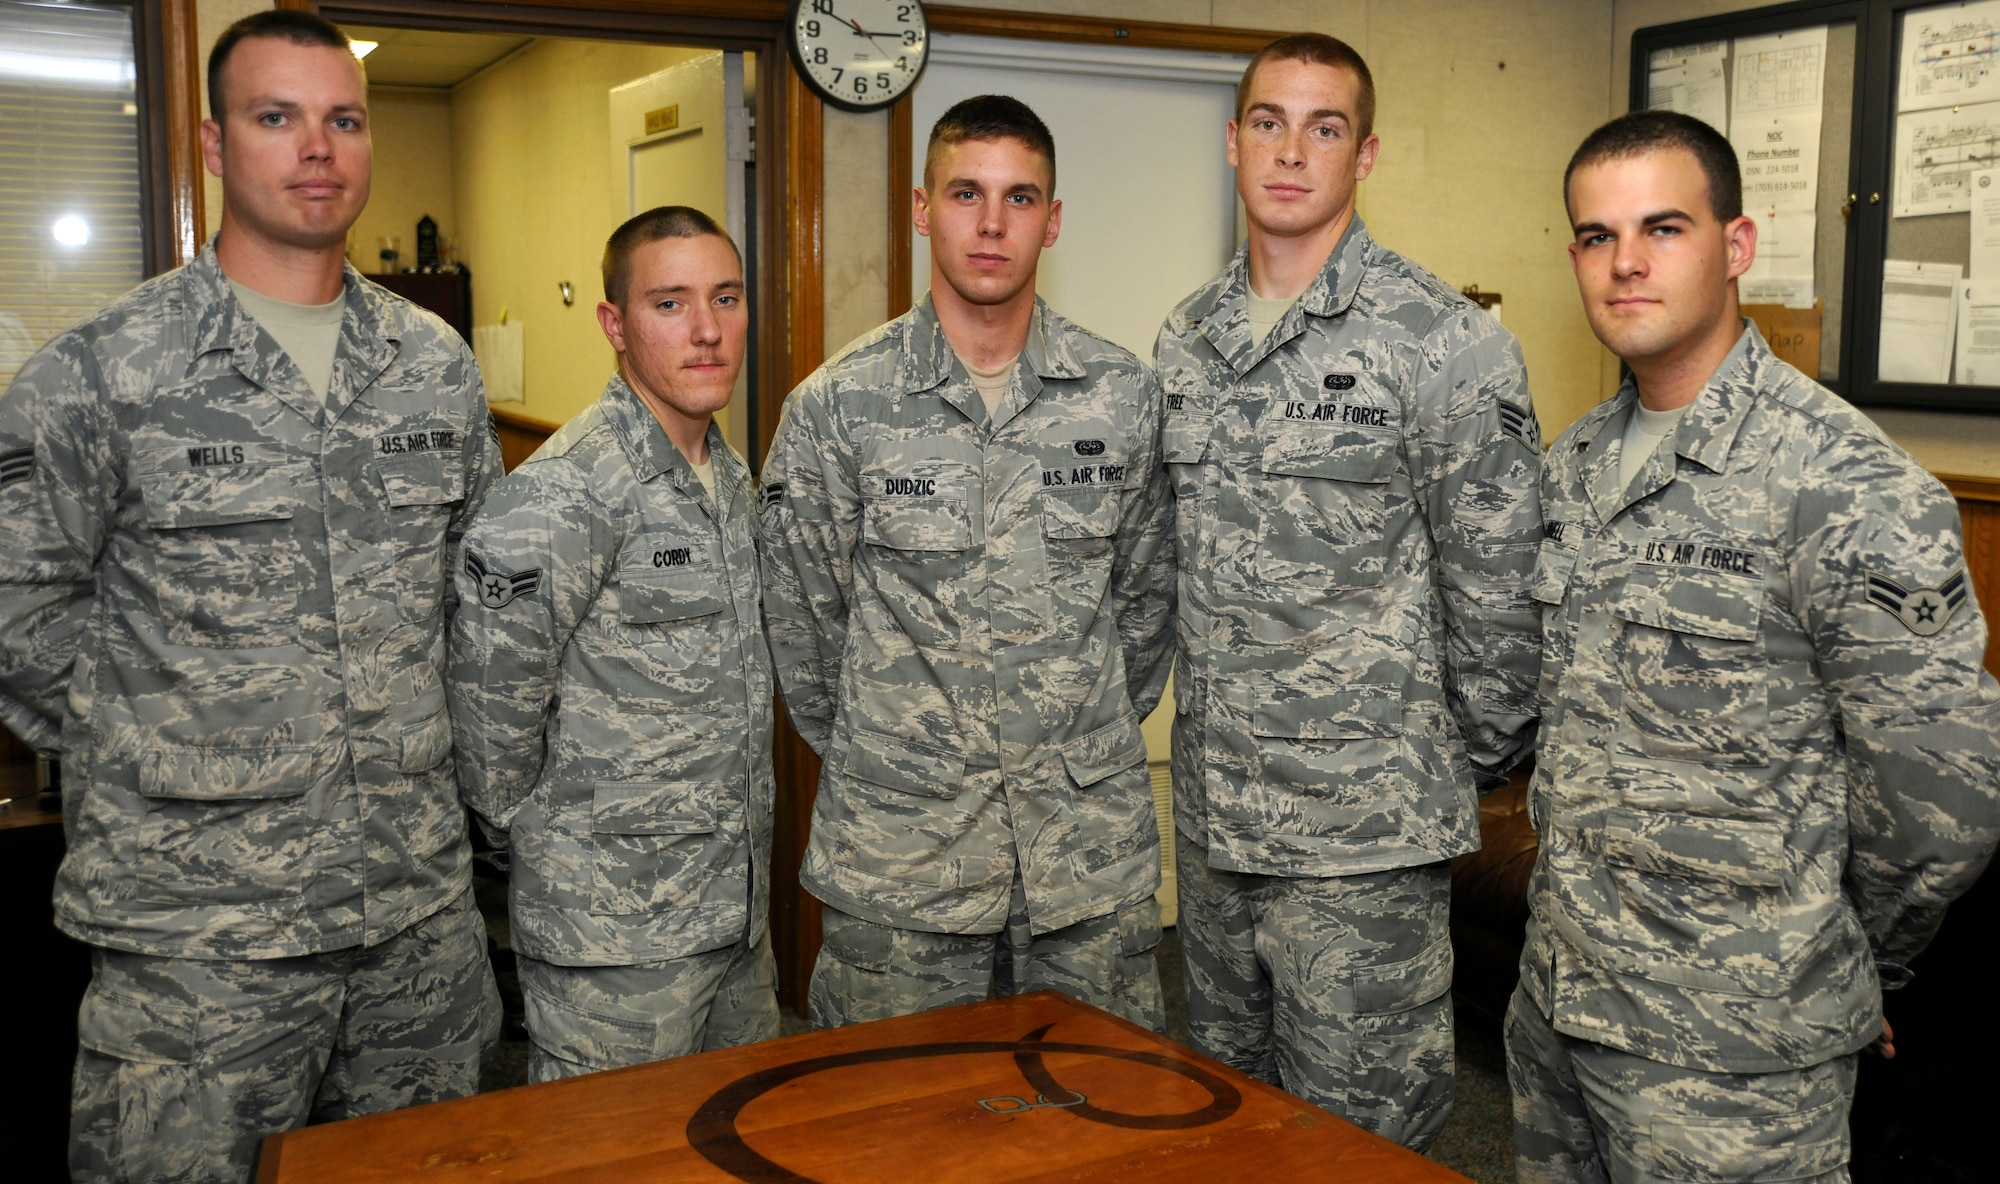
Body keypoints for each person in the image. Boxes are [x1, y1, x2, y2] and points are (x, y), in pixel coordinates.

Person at [0, 11, 502, 1180]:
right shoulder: (107, 371)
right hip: (199, 941)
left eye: (341, 119)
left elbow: (468, 611)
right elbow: (19, 610)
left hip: (414, 928)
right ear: (218, 146)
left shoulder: (431, 363)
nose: (315, 147)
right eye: (276, 118)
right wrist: (165, 754)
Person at [1511, 108, 2000, 1183]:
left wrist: (1836, 956)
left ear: (1735, 246)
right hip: (1560, 1005)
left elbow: (1939, 806)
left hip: (1732, 1055)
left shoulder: (1846, 488)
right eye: (1596, 236)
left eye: (1663, 227)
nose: (1624, 262)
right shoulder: (1574, 467)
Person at [1152, 33, 1543, 1149]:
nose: (1290, 151)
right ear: (1232, 143)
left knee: (1360, 1141)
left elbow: (1502, 595)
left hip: (1361, 843)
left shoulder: (1444, 344)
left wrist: (1424, 767)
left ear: (1362, 153)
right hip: (1218, 827)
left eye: (1323, 128)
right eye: (1267, 122)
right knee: (1227, 1124)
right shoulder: (1186, 339)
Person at [759, 95, 1175, 1031]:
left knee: (1096, 1140)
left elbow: (1147, 614)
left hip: (1082, 869)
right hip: (904, 869)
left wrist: (1057, 747)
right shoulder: (837, 408)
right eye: (966, 193)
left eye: (1020, 197)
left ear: (1053, 220)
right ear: (922, 207)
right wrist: (910, 759)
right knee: (888, 1141)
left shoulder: (1122, 400)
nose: (992, 224)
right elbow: (805, 635)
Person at [446, 206, 777, 1081]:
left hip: (737, 926)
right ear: (615, 325)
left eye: (726, 297)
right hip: (614, 946)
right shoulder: (564, 494)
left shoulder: (729, 477)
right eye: (670, 304)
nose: (707, 330)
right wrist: (569, 863)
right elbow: (488, 735)